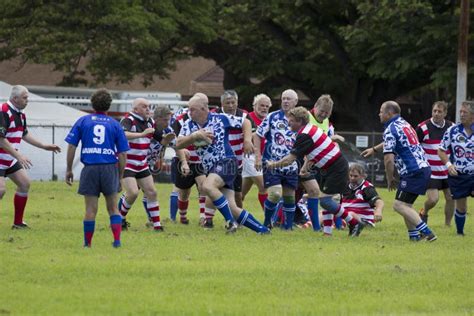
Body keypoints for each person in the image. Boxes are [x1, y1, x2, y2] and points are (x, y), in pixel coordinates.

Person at [266, 106, 367, 237]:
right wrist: (304, 167)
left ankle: (354, 222)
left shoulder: (304, 135)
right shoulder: (309, 130)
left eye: (291, 120)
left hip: (335, 167)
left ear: (299, 121)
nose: (288, 123)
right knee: (326, 198)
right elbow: (311, 152)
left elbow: (290, 159)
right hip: (330, 167)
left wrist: (273, 165)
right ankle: (327, 233)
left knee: (325, 201)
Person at [176, 94, 269, 234]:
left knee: (207, 186)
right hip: (213, 169)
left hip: (227, 162)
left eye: (192, 109)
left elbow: (246, 122)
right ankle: (263, 230)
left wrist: (247, 140)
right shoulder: (189, 125)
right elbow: (178, 143)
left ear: (203, 108)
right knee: (233, 207)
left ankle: (230, 222)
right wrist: (195, 136)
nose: (189, 112)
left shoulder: (220, 119)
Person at [65, 88, 129, 247]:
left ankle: (87, 244)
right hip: (109, 168)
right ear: (109, 105)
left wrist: (69, 169)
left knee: (90, 210)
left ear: (92, 104)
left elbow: (72, 146)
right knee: (113, 208)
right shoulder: (115, 124)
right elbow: (122, 154)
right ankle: (117, 242)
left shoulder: (83, 121)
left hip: (90, 168)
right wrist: (120, 176)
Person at [0, 85, 61, 229]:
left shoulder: (21, 114)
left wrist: (44, 146)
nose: (27, 100)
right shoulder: (3, 112)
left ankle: (18, 223)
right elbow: (1, 139)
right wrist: (19, 155)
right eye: (25, 98)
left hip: (9, 160)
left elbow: (24, 134)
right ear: (15, 98)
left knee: (24, 183)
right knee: (1, 190)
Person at [377, 101, 437, 241]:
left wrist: (390, 178)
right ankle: (414, 237)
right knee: (406, 205)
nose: (379, 114)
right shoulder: (405, 124)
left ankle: (427, 233)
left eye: (381, 111)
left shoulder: (390, 130)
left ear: (389, 114)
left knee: (398, 206)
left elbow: (388, 159)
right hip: (423, 167)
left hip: (413, 171)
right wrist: (374, 149)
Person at [254, 89, 298, 230]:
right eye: (283, 98)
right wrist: (258, 157)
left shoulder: (301, 119)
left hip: (291, 165)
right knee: (275, 193)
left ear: (295, 102)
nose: (285, 101)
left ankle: (288, 227)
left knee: (289, 197)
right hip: (272, 164)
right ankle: (267, 222)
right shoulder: (273, 117)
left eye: (288, 99)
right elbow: (257, 135)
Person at [118, 98, 164, 231]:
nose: (148, 109)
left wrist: (173, 142)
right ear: (135, 109)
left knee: (152, 192)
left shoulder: (150, 121)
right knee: (132, 193)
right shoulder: (128, 119)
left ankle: (157, 226)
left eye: (149, 107)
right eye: (144, 107)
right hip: (127, 163)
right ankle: (119, 219)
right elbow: (123, 134)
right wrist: (142, 134)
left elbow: (160, 138)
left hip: (141, 163)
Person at [169, 93, 208, 226]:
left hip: (200, 161)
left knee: (203, 187)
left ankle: (203, 217)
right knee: (183, 191)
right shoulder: (181, 119)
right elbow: (174, 141)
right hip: (183, 159)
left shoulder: (210, 118)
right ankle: (181, 216)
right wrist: (183, 153)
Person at [415, 101, 454, 225]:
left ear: (445, 113)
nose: (436, 114)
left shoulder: (451, 127)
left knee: (451, 197)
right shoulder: (422, 127)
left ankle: (447, 225)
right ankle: (424, 211)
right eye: (434, 111)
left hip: (447, 169)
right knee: (433, 199)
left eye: (440, 111)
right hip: (430, 171)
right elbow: (414, 145)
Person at [438, 100, 473, 236]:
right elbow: (441, 150)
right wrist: (449, 165)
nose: (462, 115)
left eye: (465, 112)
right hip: (459, 174)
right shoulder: (452, 131)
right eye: (461, 112)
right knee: (461, 205)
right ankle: (460, 233)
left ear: (473, 115)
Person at [142, 105, 176, 225]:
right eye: (165, 120)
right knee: (134, 192)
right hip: (138, 163)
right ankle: (120, 218)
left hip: (149, 164)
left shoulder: (168, 131)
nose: (168, 122)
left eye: (169, 119)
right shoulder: (148, 128)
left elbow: (176, 145)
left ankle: (151, 219)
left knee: (148, 192)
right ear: (157, 119)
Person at [241, 94, 271, 210]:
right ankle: (270, 219)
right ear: (254, 106)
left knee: (241, 192)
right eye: (261, 105)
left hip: (263, 157)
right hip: (249, 156)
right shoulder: (248, 118)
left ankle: (234, 215)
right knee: (263, 186)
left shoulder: (268, 119)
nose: (264, 108)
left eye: (267, 106)